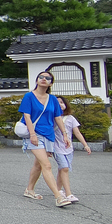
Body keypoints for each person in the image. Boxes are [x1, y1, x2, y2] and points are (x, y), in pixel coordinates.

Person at [19, 71, 72, 207]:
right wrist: (32, 134)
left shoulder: (52, 99)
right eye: (41, 77)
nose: (43, 79)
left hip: (49, 135)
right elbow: (27, 116)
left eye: (47, 78)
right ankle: (58, 197)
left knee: (39, 164)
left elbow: (58, 118)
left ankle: (29, 189)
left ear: (51, 83)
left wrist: (65, 134)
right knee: (46, 165)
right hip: (34, 134)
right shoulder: (29, 96)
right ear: (37, 80)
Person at [53, 96, 91, 203]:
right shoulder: (52, 118)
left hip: (69, 149)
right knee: (64, 168)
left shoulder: (71, 118)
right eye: (57, 103)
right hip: (57, 148)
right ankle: (68, 194)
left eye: (61, 102)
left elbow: (77, 132)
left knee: (62, 169)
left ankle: (57, 190)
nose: (60, 104)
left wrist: (85, 145)